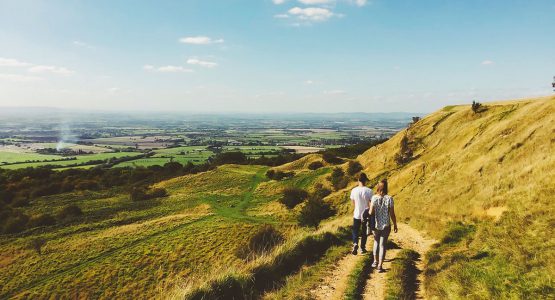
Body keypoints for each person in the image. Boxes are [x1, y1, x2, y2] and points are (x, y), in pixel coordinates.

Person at [369, 179, 398, 272]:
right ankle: (380, 266)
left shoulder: (374, 198)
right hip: (386, 225)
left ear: (378, 187)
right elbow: (392, 214)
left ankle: (374, 261)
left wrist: (370, 207)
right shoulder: (389, 198)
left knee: (376, 242)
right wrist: (395, 225)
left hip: (376, 225)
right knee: (382, 245)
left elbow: (371, 212)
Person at [350, 173, 373, 255]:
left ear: (358, 180)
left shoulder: (354, 190)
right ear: (365, 180)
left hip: (357, 213)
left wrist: (357, 208)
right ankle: (362, 248)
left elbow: (353, 202)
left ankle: (355, 243)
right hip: (366, 214)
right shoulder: (369, 191)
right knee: (364, 232)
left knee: (355, 230)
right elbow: (371, 204)